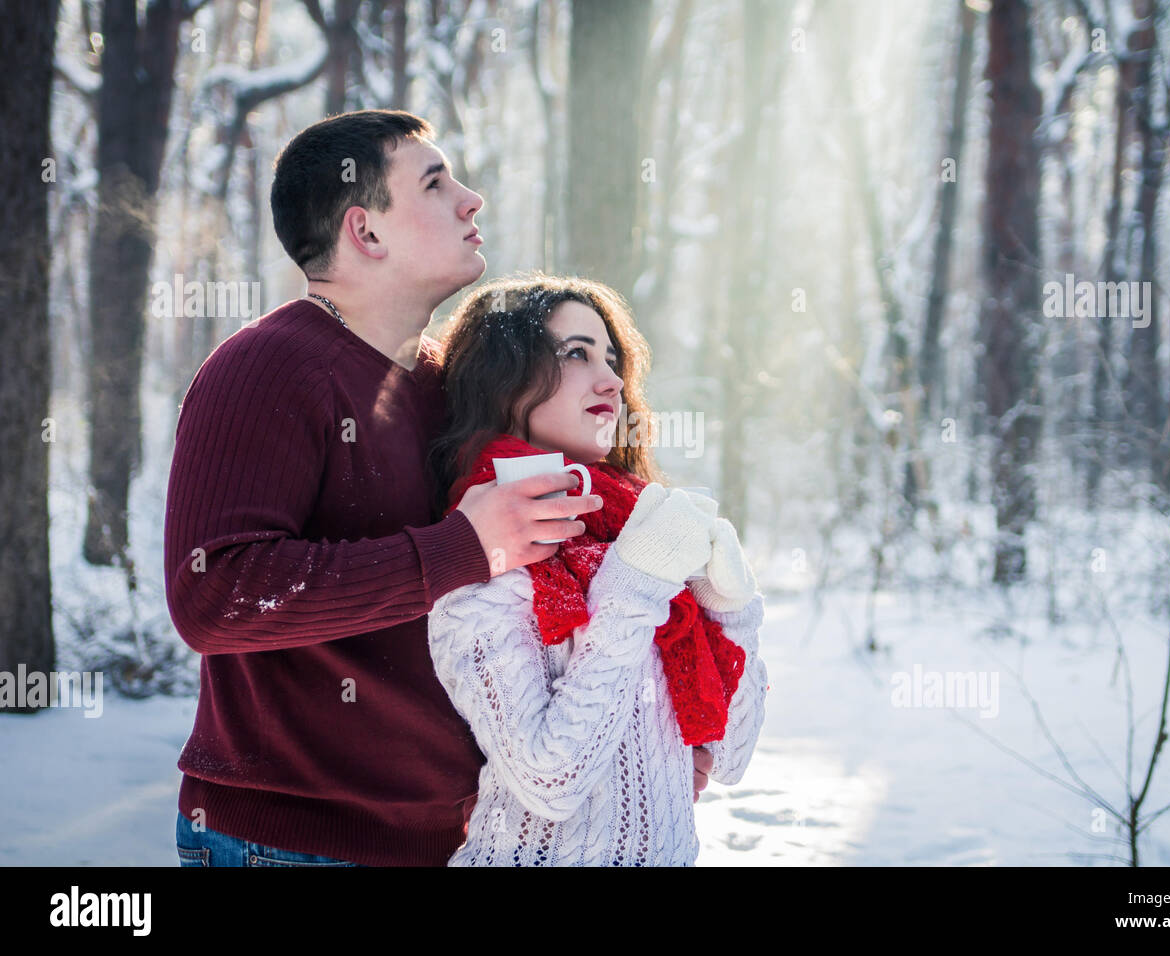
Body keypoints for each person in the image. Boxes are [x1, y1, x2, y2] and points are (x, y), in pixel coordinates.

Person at [165, 110, 706, 867]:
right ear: (367, 232)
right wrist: (462, 548)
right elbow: (214, 596)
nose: (471, 197)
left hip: (448, 841)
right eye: (434, 181)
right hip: (291, 842)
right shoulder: (265, 367)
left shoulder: (443, 384)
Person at [425, 275, 768, 865]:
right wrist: (634, 589)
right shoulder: (485, 561)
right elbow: (548, 782)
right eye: (575, 353)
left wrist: (732, 611)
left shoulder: (640, 534)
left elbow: (729, 755)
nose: (610, 379)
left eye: (612, 359)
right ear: (504, 381)